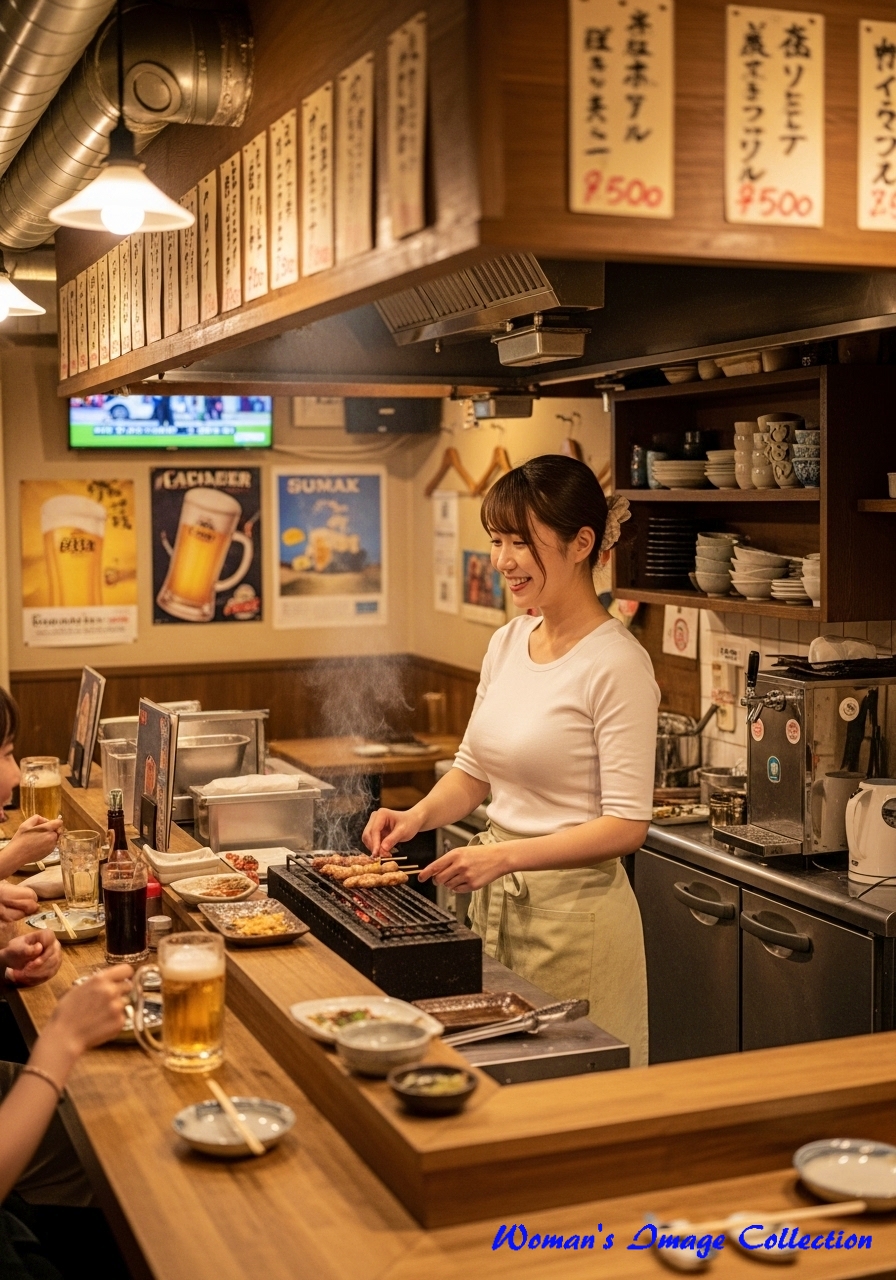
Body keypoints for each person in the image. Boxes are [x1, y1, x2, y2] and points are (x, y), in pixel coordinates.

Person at [364, 455, 659, 1065]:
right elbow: (474, 769)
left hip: (578, 925)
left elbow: (627, 827)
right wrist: (416, 815)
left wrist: (503, 855)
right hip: (499, 910)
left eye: (521, 543)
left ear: (583, 544)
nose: (503, 561)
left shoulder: (618, 663)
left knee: (576, 1105)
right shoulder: (508, 642)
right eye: (497, 541)